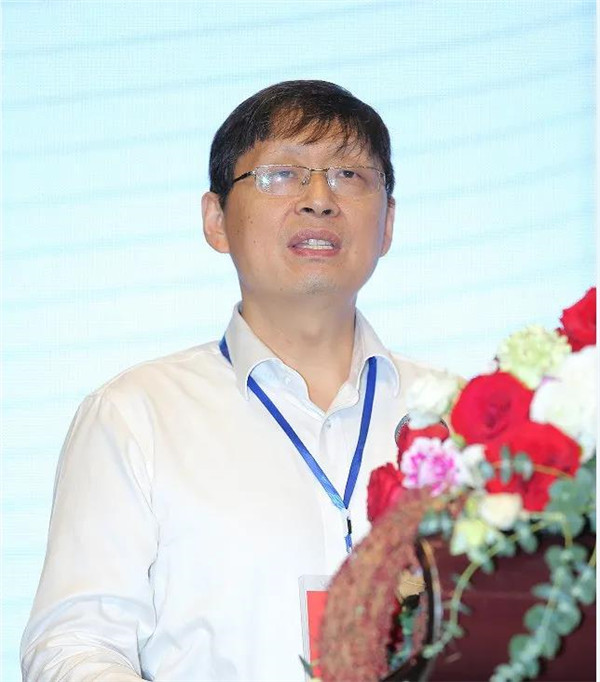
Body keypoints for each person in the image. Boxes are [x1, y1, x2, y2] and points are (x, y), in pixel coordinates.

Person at [21, 80, 442, 682]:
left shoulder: (464, 417)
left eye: (349, 175)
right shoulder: (135, 415)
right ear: (216, 219)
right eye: (281, 174)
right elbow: (75, 646)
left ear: (388, 223)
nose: (319, 199)